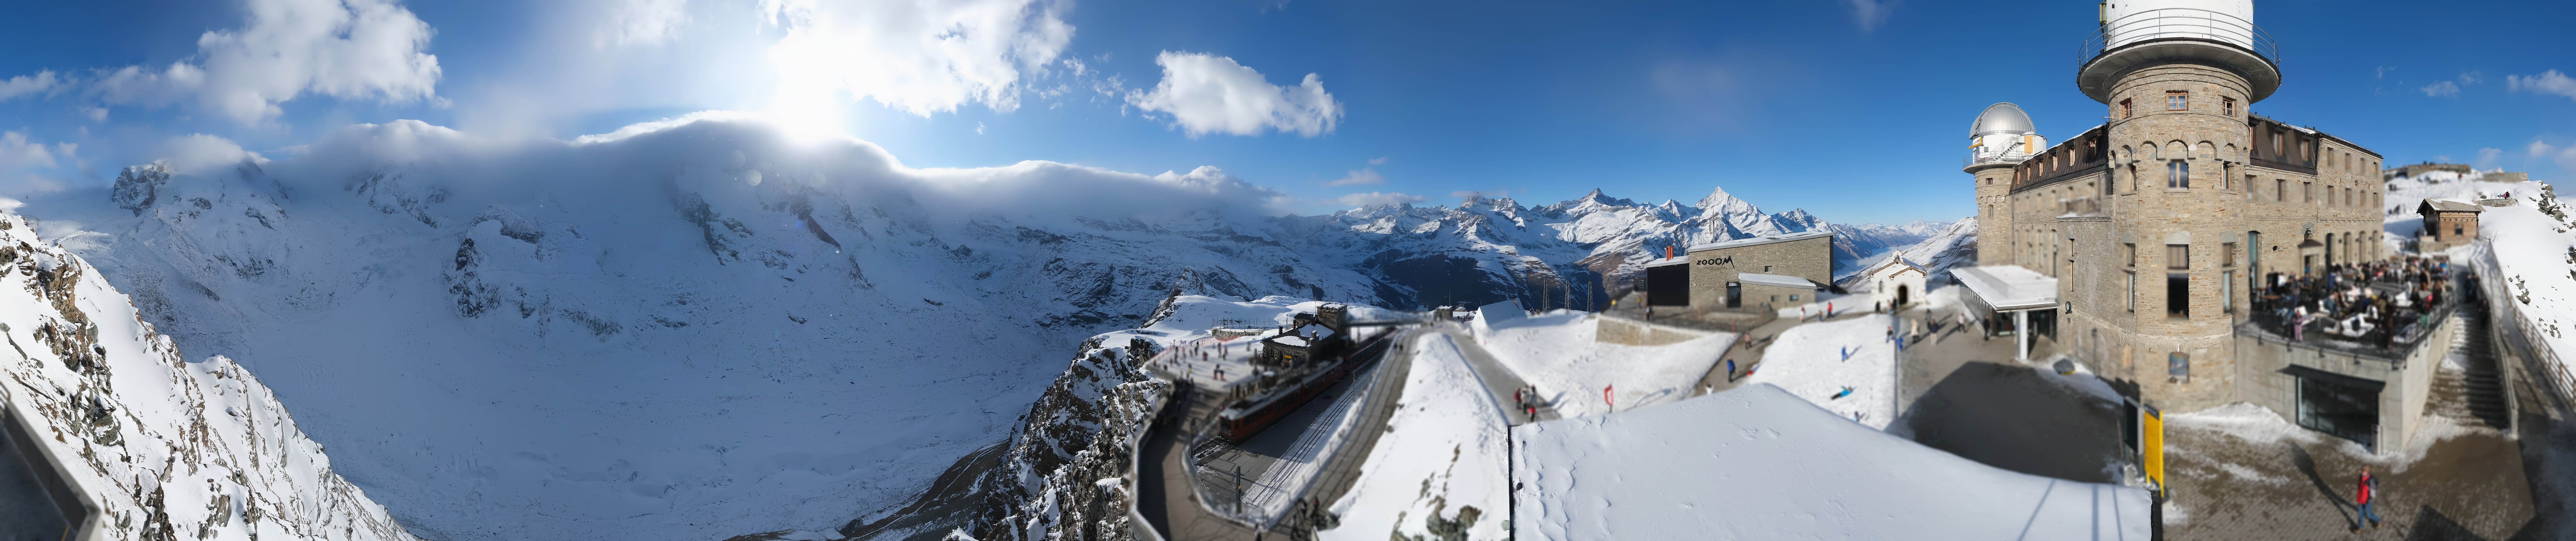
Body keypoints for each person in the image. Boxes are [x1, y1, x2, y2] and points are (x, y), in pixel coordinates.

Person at [2353, 465, 2382, 531]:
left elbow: (2373, 492)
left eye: (2364, 471)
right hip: (2361, 499)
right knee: (2360, 514)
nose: (2362, 472)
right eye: (2362, 470)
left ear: (2367, 472)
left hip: (2368, 501)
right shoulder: (2361, 477)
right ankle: (2360, 527)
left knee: (2369, 515)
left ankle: (2378, 521)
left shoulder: (2371, 480)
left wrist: (2369, 501)